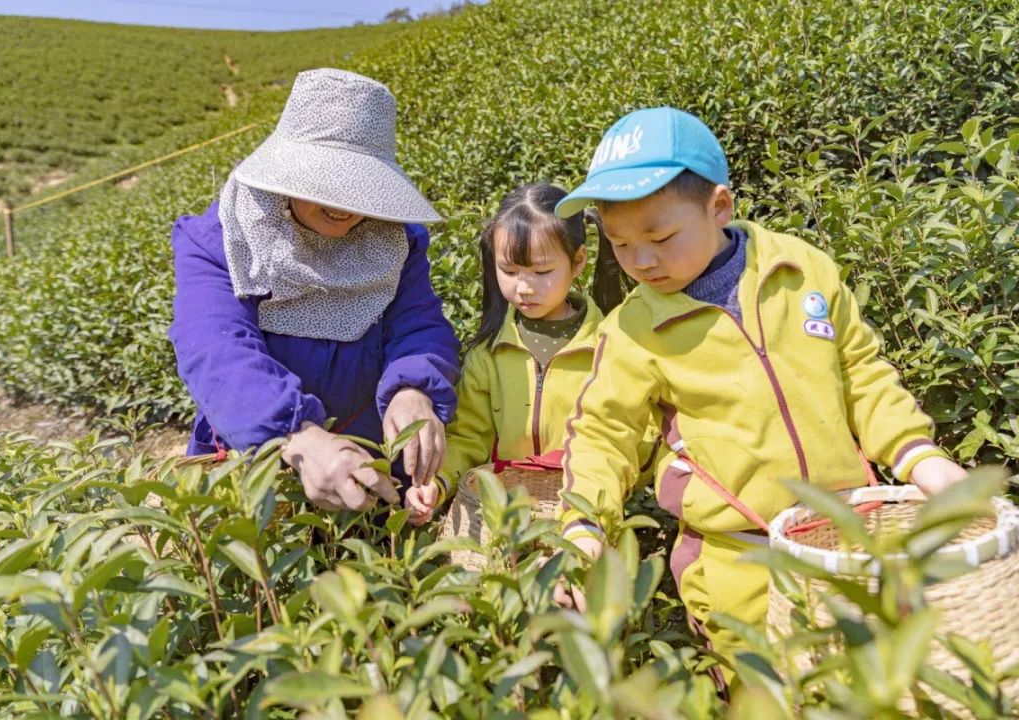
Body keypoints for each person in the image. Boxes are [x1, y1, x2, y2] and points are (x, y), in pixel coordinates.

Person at [551, 107, 968, 660]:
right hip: (738, 570)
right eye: (621, 244)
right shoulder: (633, 329)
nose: (641, 260)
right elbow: (604, 435)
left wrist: (920, 457)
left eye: (660, 235)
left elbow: (862, 376)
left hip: (851, 543)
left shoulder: (801, 270)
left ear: (718, 207)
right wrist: (582, 529)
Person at [168, 68, 460, 513]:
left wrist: (413, 388)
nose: (344, 207)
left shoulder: (396, 243)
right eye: (324, 185)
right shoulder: (220, 240)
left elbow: (419, 325)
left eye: (359, 189)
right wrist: (297, 435)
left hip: (370, 472)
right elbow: (217, 351)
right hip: (259, 465)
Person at [404, 183, 655, 523]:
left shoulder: (610, 344)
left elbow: (632, 433)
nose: (523, 287)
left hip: (584, 511)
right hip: (502, 517)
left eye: (541, 272)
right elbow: (468, 437)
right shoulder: (489, 353)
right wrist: (436, 482)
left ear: (577, 261)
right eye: (509, 271)